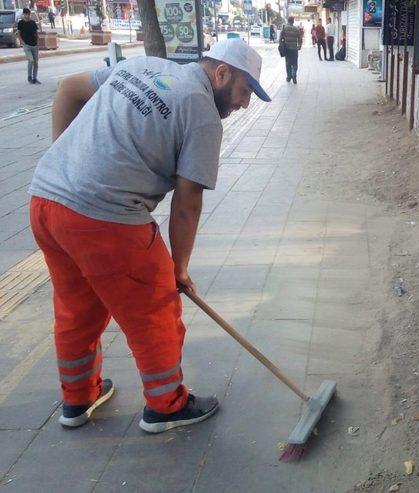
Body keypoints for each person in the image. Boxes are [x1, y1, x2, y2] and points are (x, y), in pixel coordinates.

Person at [28, 39, 271, 434]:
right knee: (155, 307)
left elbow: (68, 89)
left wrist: (66, 161)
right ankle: (166, 405)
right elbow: (187, 201)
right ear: (221, 73)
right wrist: (179, 269)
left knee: (77, 306)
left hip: (45, 200)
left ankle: (78, 398)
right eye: (245, 91)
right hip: (105, 220)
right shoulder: (203, 114)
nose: (245, 104)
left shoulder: (143, 66)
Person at [17, 8, 40, 84]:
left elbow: (36, 33)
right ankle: (29, 76)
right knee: (31, 60)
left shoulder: (33, 23)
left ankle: (35, 78)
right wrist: (22, 42)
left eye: (28, 14)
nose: (27, 16)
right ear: (23, 14)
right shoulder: (21, 23)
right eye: (25, 14)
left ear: (30, 14)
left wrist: (37, 43)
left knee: (36, 62)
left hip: (34, 45)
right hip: (26, 45)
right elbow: (18, 34)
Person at [280, 16, 302, 84]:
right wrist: (299, 46)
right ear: (293, 21)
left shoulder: (284, 28)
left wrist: (281, 45)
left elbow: (280, 38)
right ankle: (294, 75)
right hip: (294, 49)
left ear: (288, 21)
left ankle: (289, 77)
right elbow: (300, 38)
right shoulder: (296, 29)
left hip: (287, 49)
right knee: (295, 63)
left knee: (288, 63)